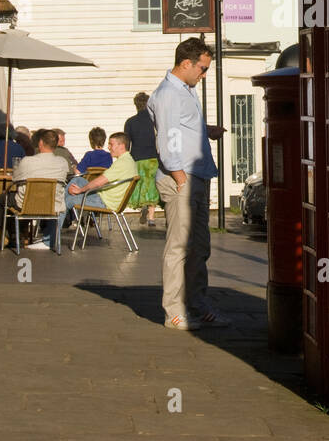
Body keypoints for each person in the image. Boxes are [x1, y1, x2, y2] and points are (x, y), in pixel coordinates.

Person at [149, 38, 227, 330]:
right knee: (179, 247)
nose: (204, 75)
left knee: (199, 247)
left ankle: (197, 303)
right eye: (202, 69)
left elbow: (181, 128)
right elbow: (167, 139)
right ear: (186, 64)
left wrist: (205, 130)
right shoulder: (169, 93)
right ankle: (174, 311)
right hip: (181, 177)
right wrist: (180, 179)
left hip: (198, 175)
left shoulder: (183, 90)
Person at [10, 128, 70, 251]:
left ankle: (10, 236)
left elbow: (15, 179)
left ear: (40, 143)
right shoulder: (63, 162)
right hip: (53, 205)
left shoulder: (27, 161)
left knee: (4, 199)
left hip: (27, 205)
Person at [65, 132, 136, 228]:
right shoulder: (128, 160)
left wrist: (80, 190)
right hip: (107, 198)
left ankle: (51, 237)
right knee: (77, 181)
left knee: (67, 199)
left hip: (105, 202)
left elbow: (99, 182)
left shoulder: (122, 163)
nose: (109, 147)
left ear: (121, 146)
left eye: (111, 144)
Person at [124, 92, 160, 227]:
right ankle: (151, 216)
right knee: (152, 185)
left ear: (136, 105)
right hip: (152, 157)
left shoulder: (130, 122)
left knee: (140, 184)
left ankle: (142, 206)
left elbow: (127, 143)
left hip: (137, 157)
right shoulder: (154, 121)